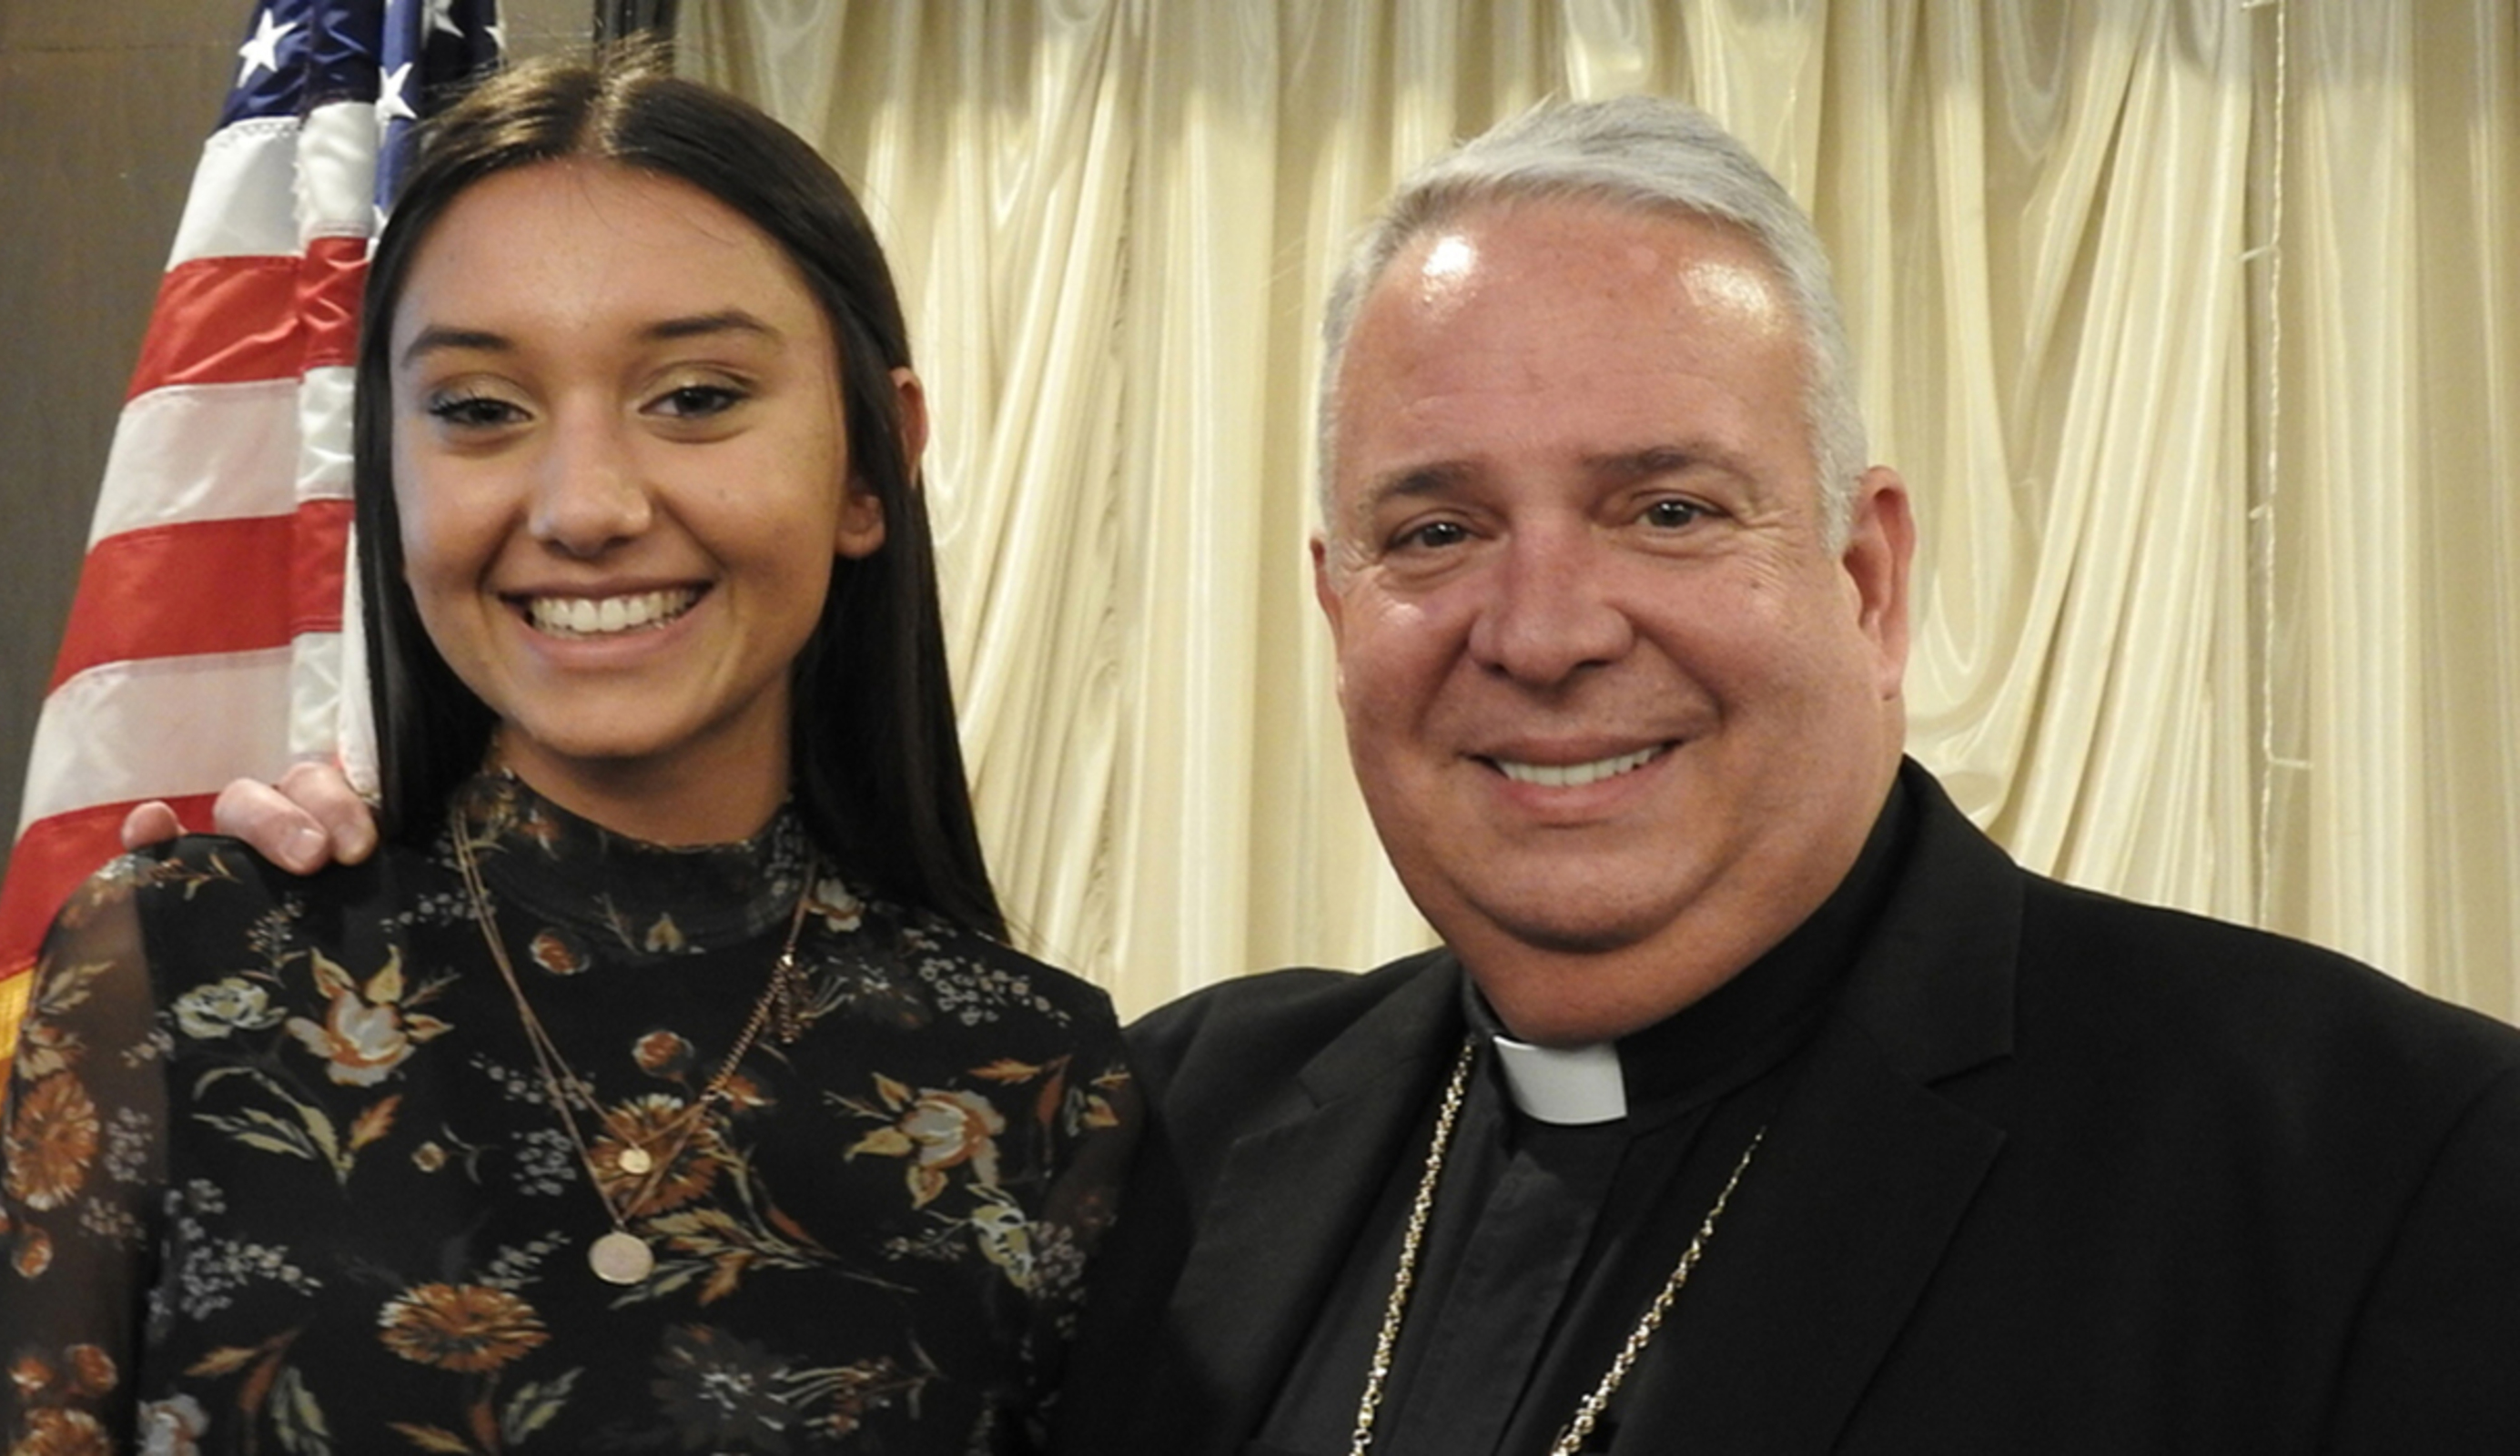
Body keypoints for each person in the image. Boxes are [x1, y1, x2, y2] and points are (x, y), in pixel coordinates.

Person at [183, 95, 2520, 1455]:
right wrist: (408, 954)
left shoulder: (2372, 1164)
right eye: (1434, 529)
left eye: (1666, 505)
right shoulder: (1173, 1121)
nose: (1545, 624)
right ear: (1335, 604)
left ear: (1869, 571)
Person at [0, 50, 1137, 1456]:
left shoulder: (1036, 1079)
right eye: (479, 409)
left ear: (872, 466)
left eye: (695, 396)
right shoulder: (190, 967)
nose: (585, 507)